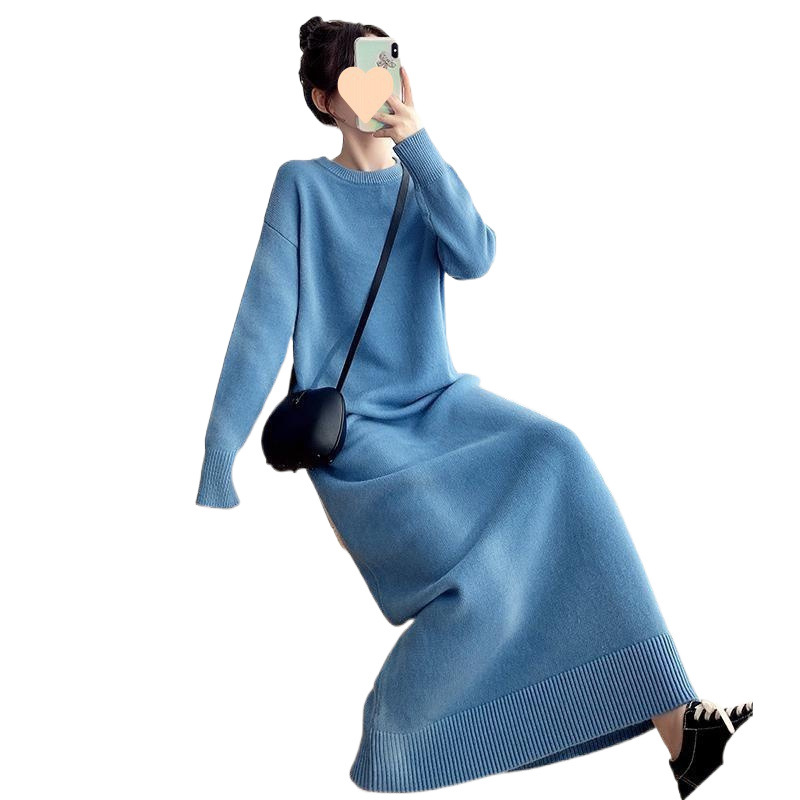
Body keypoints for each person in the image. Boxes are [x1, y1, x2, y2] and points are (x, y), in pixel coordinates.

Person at [196, 16, 753, 797]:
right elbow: (261, 322)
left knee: (558, 450)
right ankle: (400, 741)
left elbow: (476, 256)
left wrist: (421, 147)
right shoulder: (301, 185)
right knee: (479, 580)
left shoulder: (419, 176)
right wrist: (219, 451)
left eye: (387, 67)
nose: (379, 84)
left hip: (444, 404)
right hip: (360, 433)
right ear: (325, 98)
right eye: (359, 74)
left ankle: (681, 729)